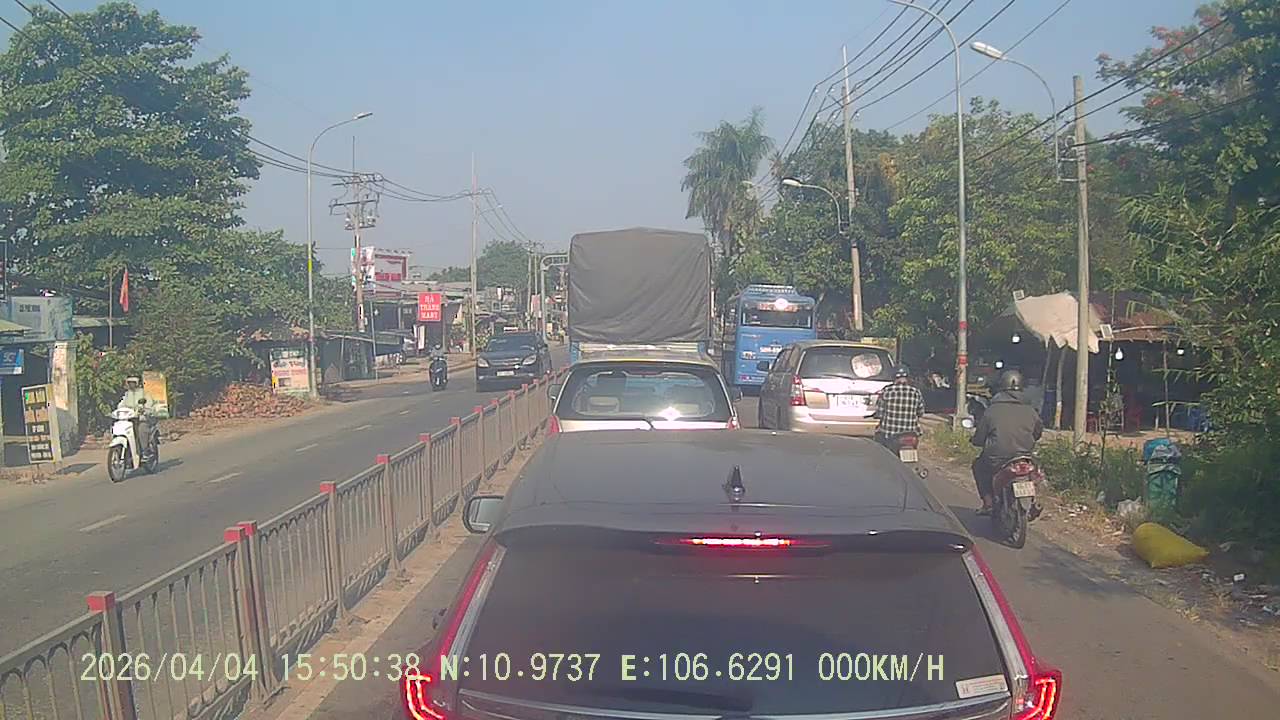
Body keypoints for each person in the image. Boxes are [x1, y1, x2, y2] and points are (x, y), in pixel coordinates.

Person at [970, 370, 1044, 515]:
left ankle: (988, 503)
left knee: (978, 466)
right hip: (1024, 456)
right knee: (1035, 473)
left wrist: (976, 441)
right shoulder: (1031, 410)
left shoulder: (992, 410)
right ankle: (1033, 502)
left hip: (997, 458)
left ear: (1001, 387)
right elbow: (1038, 433)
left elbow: (980, 436)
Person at [874, 365, 925, 449]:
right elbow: (920, 412)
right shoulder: (916, 392)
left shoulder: (887, 391)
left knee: (880, 445)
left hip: (890, 433)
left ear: (894, 377)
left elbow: (880, 412)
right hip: (911, 433)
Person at [118, 376, 154, 454]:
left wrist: (144, 410)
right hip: (129, 419)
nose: (131, 385)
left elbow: (149, 405)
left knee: (141, 430)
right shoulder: (127, 394)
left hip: (141, 419)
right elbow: (121, 405)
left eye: (133, 383)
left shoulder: (144, 393)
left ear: (137, 383)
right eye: (129, 383)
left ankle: (145, 451)